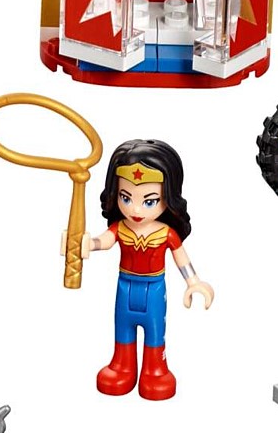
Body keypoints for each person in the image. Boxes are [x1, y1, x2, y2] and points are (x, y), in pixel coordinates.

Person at [80, 138, 214, 401]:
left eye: (149, 201)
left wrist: (194, 282)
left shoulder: (165, 233)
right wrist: (88, 243)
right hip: (125, 288)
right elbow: (103, 241)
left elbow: (181, 258)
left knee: (155, 332)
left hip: (154, 290)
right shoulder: (121, 228)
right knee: (122, 328)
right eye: (126, 197)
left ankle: (155, 370)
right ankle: (122, 366)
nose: (136, 209)